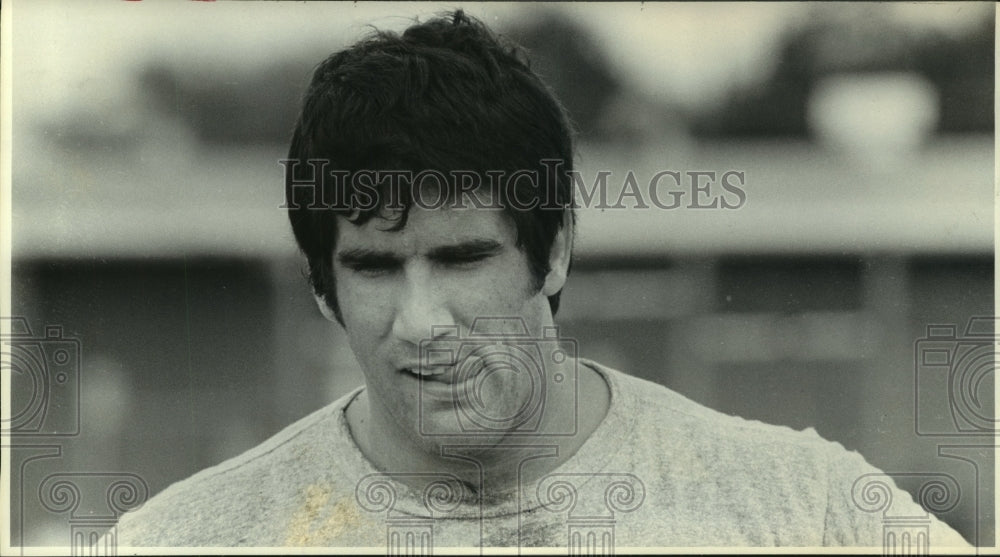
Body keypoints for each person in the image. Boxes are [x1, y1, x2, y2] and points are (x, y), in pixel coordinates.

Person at [109, 10, 970, 550]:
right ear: (321, 286)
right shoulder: (185, 540)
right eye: (374, 265)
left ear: (552, 251)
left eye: (461, 256)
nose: (421, 320)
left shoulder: (804, 508)